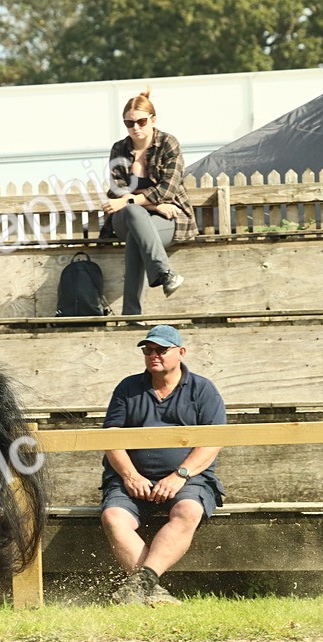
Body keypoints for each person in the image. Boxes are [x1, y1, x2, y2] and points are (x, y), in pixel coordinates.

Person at [100, 325, 225, 606]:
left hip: (187, 479)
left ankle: (140, 584)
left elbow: (214, 440)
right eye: (148, 350)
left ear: (180, 353)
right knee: (113, 518)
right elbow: (111, 438)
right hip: (132, 479)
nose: (153, 355)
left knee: (188, 510)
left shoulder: (203, 389)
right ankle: (151, 589)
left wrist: (180, 475)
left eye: (160, 350)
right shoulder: (128, 388)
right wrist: (130, 476)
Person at [100, 90, 197, 317]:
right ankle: (164, 273)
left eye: (141, 121)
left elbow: (167, 189)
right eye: (129, 123)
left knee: (137, 237)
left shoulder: (168, 144)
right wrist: (153, 204)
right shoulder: (119, 149)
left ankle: (132, 316)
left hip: (168, 218)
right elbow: (117, 192)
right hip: (130, 218)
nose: (136, 127)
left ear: (153, 119)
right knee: (133, 214)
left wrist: (131, 199)